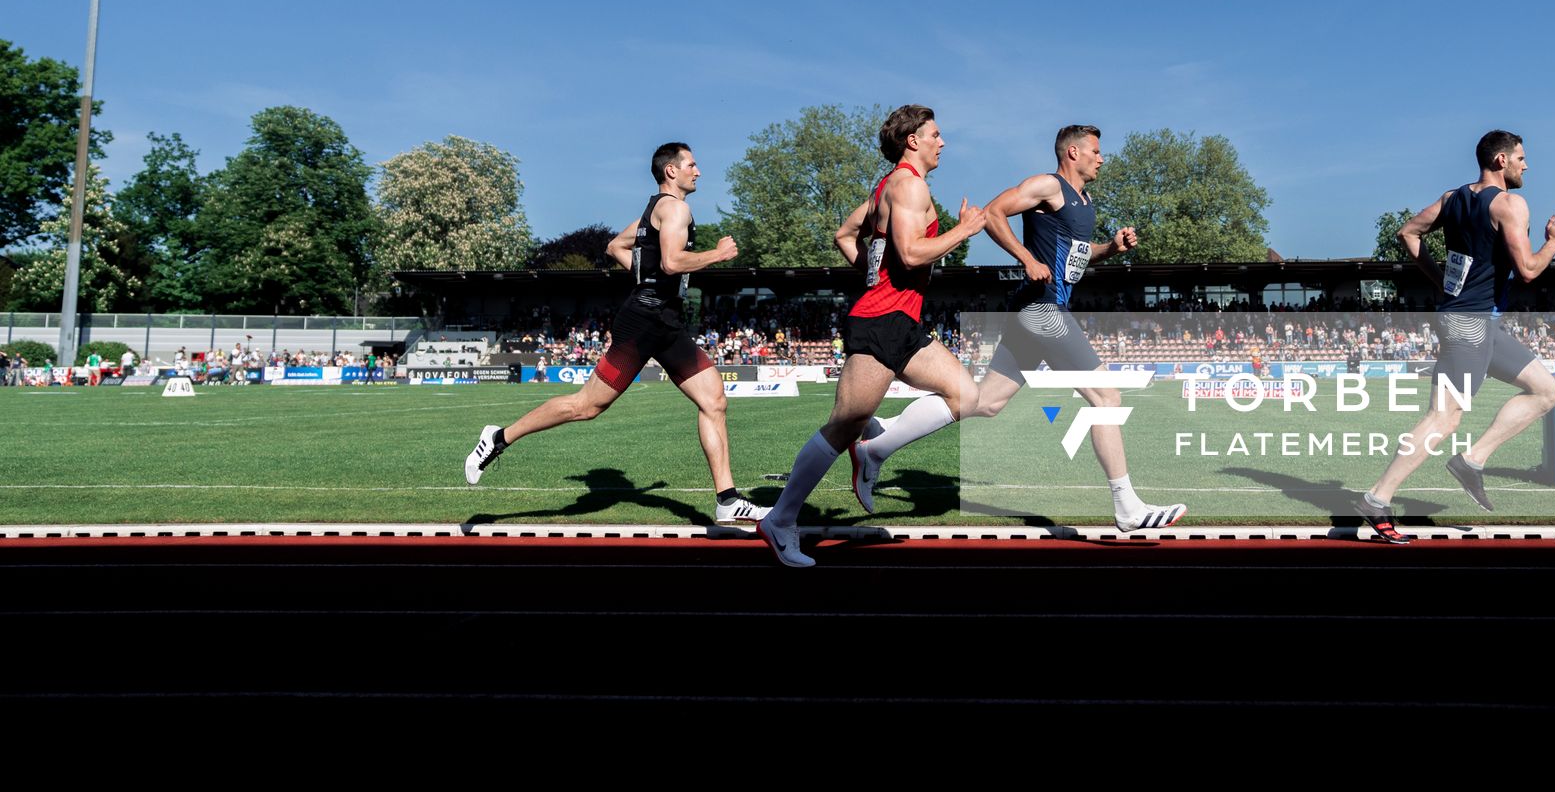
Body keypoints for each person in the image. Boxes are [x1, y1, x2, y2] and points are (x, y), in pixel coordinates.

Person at [854, 124, 1186, 532]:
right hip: (1044, 311)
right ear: (1073, 153)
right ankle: (1127, 507)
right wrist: (1026, 258)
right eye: (1096, 151)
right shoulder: (1048, 186)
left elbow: (1075, 260)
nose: (1102, 158)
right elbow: (993, 212)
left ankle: (878, 446)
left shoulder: (1084, 201)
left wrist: (1110, 249)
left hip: (1036, 311)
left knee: (986, 403)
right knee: (1108, 397)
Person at [464, 143, 766, 527]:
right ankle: (498, 438)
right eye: (691, 164)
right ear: (671, 171)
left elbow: (615, 246)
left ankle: (727, 500)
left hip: (667, 323)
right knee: (586, 407)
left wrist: (646, 277)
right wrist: (716, 254)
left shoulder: (653, 211)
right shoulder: (674, 208)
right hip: (643, 323)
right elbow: (673, 262)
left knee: (714, 401)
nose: (699, 171)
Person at [757, 105, 987, 567]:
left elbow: (846, 235)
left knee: (966, 395)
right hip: (881, 322)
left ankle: (875, 452)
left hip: (900, 321)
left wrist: (874, 274)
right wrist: (963, 230)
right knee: (844, 423)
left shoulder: (886, 186)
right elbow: (910, 251)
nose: (944, 142)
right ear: (913, 141)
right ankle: (780, 520)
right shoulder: (907, 184)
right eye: (936, 134)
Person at [1356, 130, 1555, 543]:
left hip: (1477, 322)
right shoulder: (1510, 204)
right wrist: (1554, 244)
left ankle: (1472, 461)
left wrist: (1441, 281)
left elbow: (1407, 233)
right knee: (1443, 417)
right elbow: (1527, 269)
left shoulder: (1452, 198)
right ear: (1500, 161)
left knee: (1545, 390)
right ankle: (1377, 499)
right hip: (1470, 324)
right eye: (1521, 158)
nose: (1527, 165)